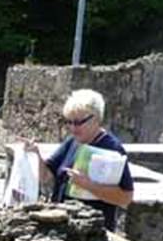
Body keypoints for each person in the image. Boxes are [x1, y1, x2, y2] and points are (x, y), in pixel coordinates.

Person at [24, 89, 134, 231]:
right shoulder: (73, 142)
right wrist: (35, 155)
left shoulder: (111, 148)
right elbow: (46, 177)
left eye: (78, 122)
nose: (73, 128)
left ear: (96, 119)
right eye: (69, 122)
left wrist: (88, 185)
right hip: (64, 228)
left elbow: (125, 198)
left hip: (92, 234)